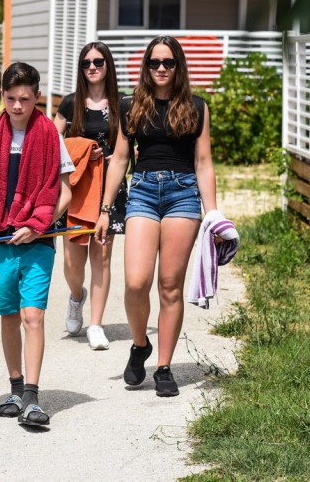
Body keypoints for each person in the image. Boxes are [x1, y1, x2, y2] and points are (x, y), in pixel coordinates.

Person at [95, 36, 218, 398]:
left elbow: (203, 163)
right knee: (135, 282)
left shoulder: (196, 106)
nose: (161, 69)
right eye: (154, 63)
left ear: (178, 66)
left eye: (168, 62)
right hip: (144, 193)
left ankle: (163, 366)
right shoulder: (131, 106)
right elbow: (119, 159)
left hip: (183, 195)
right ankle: (139, 345)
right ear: (146, 67)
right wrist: (105, 210)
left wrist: (212, 214)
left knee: (168, 285)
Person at [0, 63, 74, 428]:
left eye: (24, 99)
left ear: (37, 96)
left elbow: (66, 192)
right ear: (2, 96)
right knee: (8, 315)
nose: (16, 106)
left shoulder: (49, 135)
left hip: (38, 239)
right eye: (10, 99)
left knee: (33, 315)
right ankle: (14, 388)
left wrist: (38, 224)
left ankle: (32, 394)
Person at [52, 42, 128, 350]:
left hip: (109, 186)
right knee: (73, 261)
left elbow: (132, 143)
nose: (92, 67)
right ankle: (77, 296)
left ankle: (96, 324)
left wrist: (116, 157)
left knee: (102, 256)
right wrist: (80, 150)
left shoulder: (123, 104)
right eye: (86, 63)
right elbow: (51, 141)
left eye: (98, 61)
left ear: (108, 65)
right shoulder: (71, 104)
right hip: (77, 187)